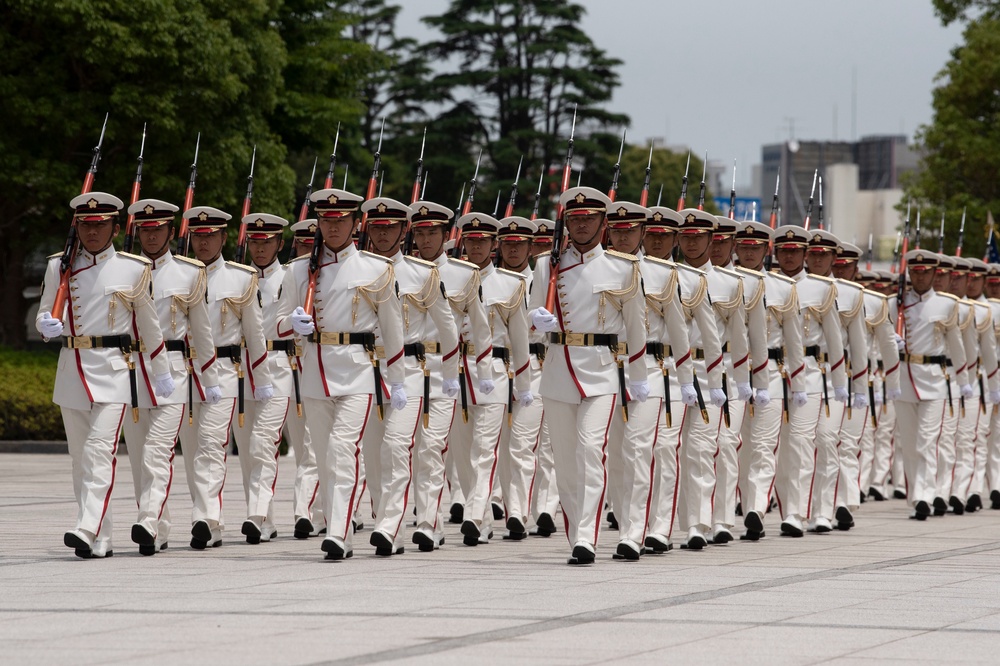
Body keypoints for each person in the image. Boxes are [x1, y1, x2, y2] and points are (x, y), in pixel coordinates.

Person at [37, 192, 174, 558]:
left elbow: (149, 327)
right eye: (85, 225)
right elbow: (45, 312)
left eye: (99, 226)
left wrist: (161, 373)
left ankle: (86, 525)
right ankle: (101, 537)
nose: (92, 232)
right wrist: (48, 325)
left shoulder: (132, 269)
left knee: (101, 450)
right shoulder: (58, 266)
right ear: (76, 226)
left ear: (115, 228)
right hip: (72, 368)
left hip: (114, 370)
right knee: (81, 457)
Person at [276, 188, 406, 560]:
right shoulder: (299, 269)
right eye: (326, 220)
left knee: (341, 449)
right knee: (323, 455)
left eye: (340, 221)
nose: (333, 227)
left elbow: (391, 327)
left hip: (358, 372)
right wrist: (292, 323)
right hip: (315, 372)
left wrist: (395, 379)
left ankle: (337, 531)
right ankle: (340, 527)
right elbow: (277, 323)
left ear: (355, 223)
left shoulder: (376, 268)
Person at [527, 186, 648, 564]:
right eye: (575, 219)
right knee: (564, 461)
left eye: (589, 219)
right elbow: (531, 323)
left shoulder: (623, 267)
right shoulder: (548, 264)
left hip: (601, 371)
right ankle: (576, 529)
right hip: (559, 368)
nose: (582, 225)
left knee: (590, 450)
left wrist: (639, 375)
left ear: (603, 223)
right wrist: (537, 323)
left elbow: (637, 326)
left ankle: (586, 537)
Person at [358, 197, 460, 555]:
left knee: (417, 448)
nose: (383, 236)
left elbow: (449, 329)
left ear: (403, 231)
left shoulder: (421, 274)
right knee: (373, 454)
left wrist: (450, 374)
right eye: (377, 228)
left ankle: (420, 522)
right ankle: (389, 521)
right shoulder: (359, 269)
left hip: (419, 373)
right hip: (367, 372)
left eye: (391, 229)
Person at [123, 198, 220, 556]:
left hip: (174, 372)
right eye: (145, 230)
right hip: (130, 371)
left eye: (158, 230)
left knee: (156, 451)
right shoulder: (125, 268)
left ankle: (147, 519)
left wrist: (210, 380)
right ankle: (158, 528)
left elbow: (203, 330)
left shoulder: (190, 272)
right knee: (137, 455)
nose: (151, 237)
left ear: (170, 231)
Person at [180, 205, 272, 550]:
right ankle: (211, 522)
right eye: (198, 236)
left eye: (210, 236)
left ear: (224, 238)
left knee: (210, 444)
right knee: (191, 451)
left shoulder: (241, 277)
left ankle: (204, 516)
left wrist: (261, 378)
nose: (203, 243)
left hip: (224, 370)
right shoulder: (179, 273)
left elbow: (255, 332)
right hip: (185, 372)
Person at [604, 201, 693, 559]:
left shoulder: (659, 274)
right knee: (617, 455)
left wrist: (686, 379)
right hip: (607, 369)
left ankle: (643, 530)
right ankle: (630, 520)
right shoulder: (596, 271)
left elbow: (679, 330)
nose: (623, 238)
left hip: (654, 370)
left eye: (630, 232)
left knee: (649, 450)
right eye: (617, 231)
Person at [410, 200, 495, 549]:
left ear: (447, 235)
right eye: (420, 232)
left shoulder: (464, 274)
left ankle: (435, 522)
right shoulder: (402, 271)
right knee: (418, 450)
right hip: (409, 370)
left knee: (436, 448)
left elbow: (481, 328)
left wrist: (486, 371)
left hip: (451, 373)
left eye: (433, 232)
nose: (426, 239)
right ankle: (435, 518)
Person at [639, 206, 722, 552]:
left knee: (701, 450)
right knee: (662, 447)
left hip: (701, 372)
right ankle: (660, 526)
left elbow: (713, 337)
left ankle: (697, 523)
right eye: (652, 236)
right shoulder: (636, 274)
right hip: (664, 371)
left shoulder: (696, 281)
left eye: (666, 237)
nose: (659, 243)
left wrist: (717, 383)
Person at [449, 212, 531, 545]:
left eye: (483, 241)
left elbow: (521, 338)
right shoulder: (450, 279)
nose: (477, 246)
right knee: (461, 448)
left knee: (484, 448)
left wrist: (523, 384)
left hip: (495, 372)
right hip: (455, 372)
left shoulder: (511, 285)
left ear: (493, 244)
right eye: (472, 240)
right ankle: (480, 517)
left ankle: (473, 512)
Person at [674, 208, 747, 548]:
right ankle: (688, 519)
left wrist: (744, 379)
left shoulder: (730, 284)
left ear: (712, 239)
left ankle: (708, 521)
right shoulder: (665, 275)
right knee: (672, 449)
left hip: (711, 373)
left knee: (710, 447)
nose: (692, 243)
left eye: (699, 237)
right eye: (686, 237)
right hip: (670, 371)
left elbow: (742, 337)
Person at [771, 225, 847, 537]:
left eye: (795, 251)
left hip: (812, 372)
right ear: (775, 253)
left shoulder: (819, 289)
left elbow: (835, 339)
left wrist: (840, 382)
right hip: (773, 370)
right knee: (780, 447)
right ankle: (791, 505)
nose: (789, 256)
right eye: (783, 251)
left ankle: (799, 513)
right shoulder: (768, 285)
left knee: (808, 443)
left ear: (805, 255)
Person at [732, 221, 805, 540]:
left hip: (771, 374)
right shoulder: (723, 282)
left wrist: (799, 383)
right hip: (732, 372)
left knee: (763, 444)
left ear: (766, 250)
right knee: (739, 447)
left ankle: (756, 508)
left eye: (755, 248)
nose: (749, 252)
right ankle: (748, 503)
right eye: (744, 247)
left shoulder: (782, 289)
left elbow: (795, 340)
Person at [235, 213, 295, 544]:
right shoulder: (239, 278)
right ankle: (265, 518)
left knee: (263, 441)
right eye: (255, 242)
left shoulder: (291, 277)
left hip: (276, 365)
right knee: (247, 449)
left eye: (267, 242)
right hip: (241, 367)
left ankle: (255, 514)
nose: (260, 249)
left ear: (279, 244)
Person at [896, 250, 969, 519]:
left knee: (928, 441)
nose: (920, 276)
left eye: (925, 272)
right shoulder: (897, 303)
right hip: (904, 378)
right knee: (909, 442)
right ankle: (916, 493)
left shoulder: (947, 304)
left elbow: (957, 345)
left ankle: (925, 496)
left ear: (934, 273)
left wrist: (963, 381)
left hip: (936, 378)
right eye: (915, 271)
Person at [709, 217, 769, 542]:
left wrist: (759, 382)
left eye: (722, 242)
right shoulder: (689, 278)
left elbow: (757, 339)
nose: (716, 247)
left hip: (734, 372)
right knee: (703, 446)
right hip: (696, 370)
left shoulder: (744, 284)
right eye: (712, 241)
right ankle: (703, 515)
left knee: (728, 443)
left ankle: (723, 518)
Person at [805, 230, 869, 532]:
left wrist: (858, 386)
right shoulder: (793, 287)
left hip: (834, 377)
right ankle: (803, 507)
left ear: (834, 258)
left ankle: (825, 509)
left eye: (824, 256)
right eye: (813, 254)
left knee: (828, 440)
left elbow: (857, 345)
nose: (818, 259)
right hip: (799, 376)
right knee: (803, 446)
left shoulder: (848, 293)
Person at [494, 215, 544, 540]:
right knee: (499, 444)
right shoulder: (488, 281)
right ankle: (504, 502)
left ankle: (519, 513)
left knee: (523, 444)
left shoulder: (542, 281)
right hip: (498, 367)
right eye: (508, 244)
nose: (513, 251)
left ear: (530, 246)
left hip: (535, 368)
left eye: (520, 244)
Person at [283, 220, 325, 537]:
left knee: (315, 447)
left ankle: (305, 512)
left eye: (313, 245)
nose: (308, 251)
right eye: (302, 245)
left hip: (322, 371)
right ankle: (324, 510)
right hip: (290, 372)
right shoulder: (292, 275)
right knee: (304, 448)